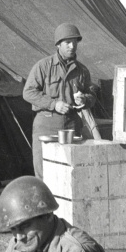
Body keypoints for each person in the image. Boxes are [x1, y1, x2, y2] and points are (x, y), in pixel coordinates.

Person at [23, 23, 96, 179]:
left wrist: (84, 99)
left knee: (68, 173)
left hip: (71, 125)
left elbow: (92, 95)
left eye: (75, 42)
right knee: (45, 173)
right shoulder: (43, 66)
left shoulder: (82, 70)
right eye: (67, 42)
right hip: (47, 126)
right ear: (58, 44)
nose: (72, 46)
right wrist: (53, 104)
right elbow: (28, 92)